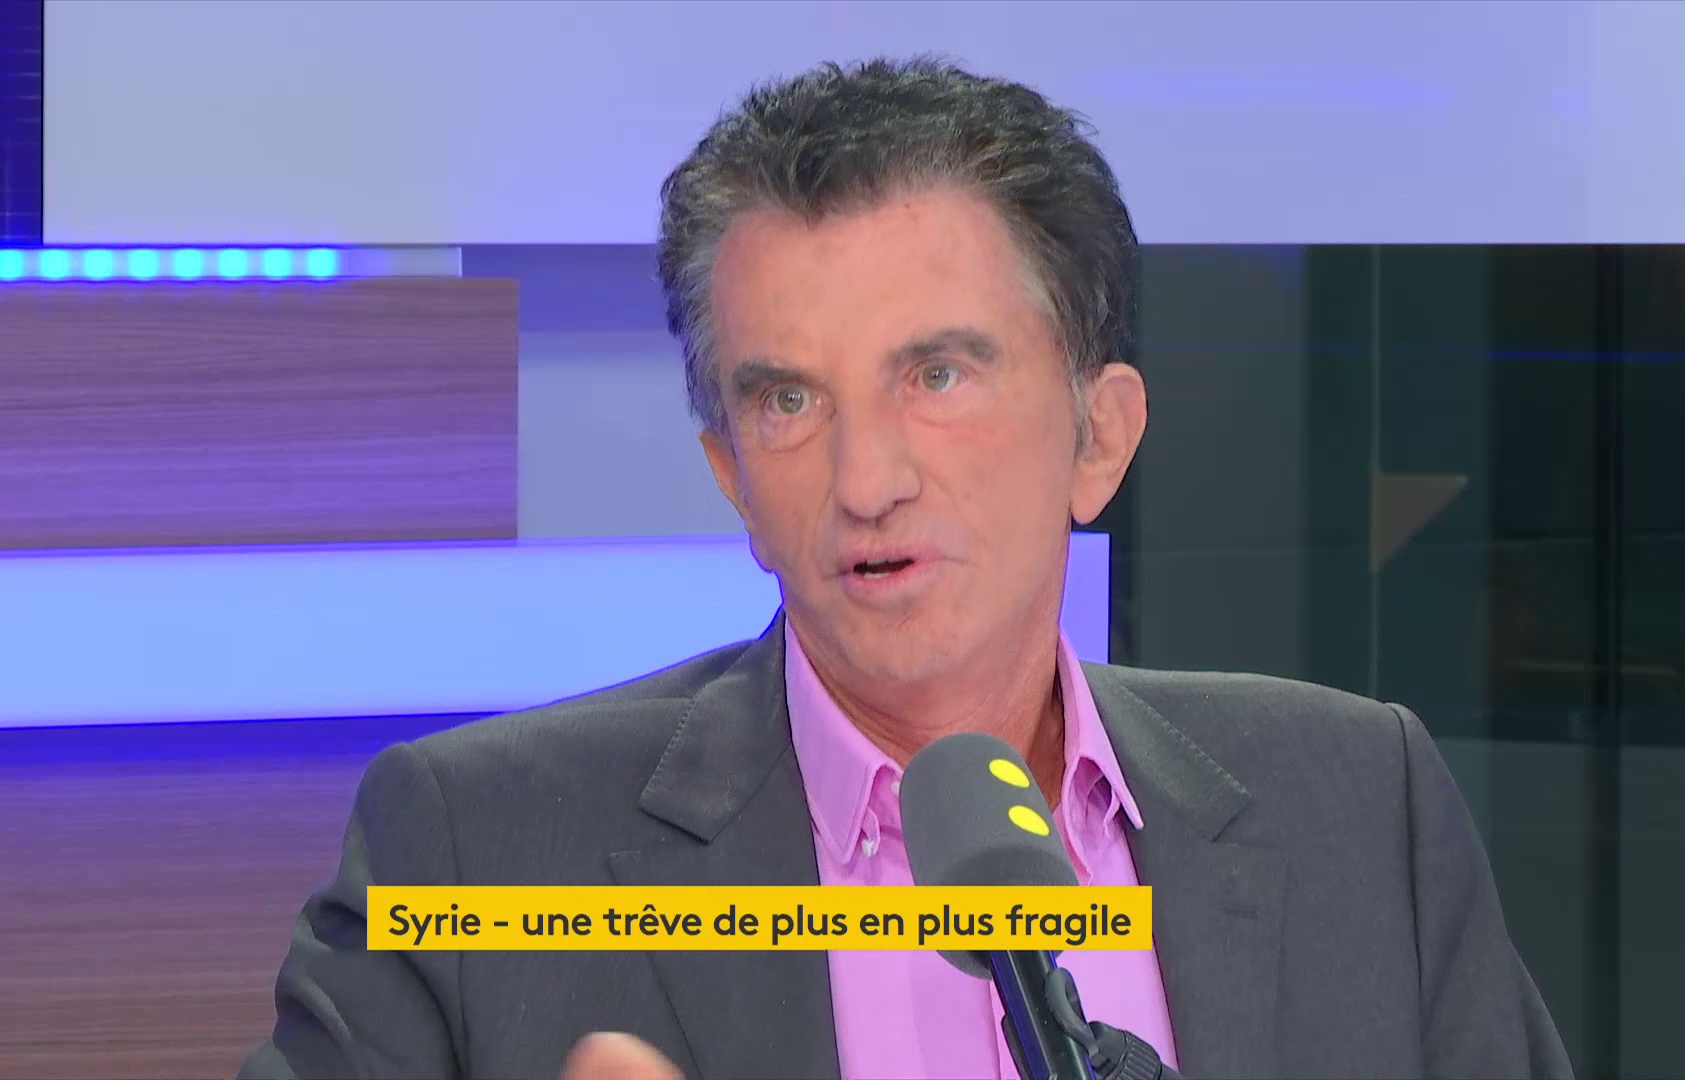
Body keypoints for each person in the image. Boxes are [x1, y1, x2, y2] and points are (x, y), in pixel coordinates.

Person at [241, 57, 1571, 1080]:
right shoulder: (476, 856)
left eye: (936, 376)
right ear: (732, 479)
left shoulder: (1360, 805)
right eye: (788, 402)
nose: (866, 480)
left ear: (1100, 438)